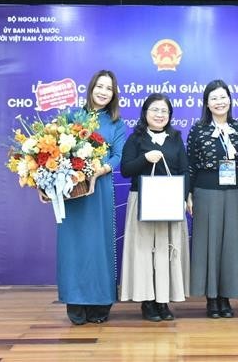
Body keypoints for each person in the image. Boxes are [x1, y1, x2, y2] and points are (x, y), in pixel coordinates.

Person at [57, 70, 127, 325]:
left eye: (109, 88)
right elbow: (56, 152)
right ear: (91, 88)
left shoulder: (117, 123)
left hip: (99, 188)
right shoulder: (71, 116)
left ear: (113, 94)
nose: (103, 92)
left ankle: (100, 302)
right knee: (73, 246)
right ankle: (75, 302)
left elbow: (118, 155)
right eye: (100, 86)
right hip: (72, 190)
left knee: (99, 246)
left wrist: (100, 170)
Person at [120, 93, 190, 321]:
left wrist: (183, 196)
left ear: (170, 115)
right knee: (144, 252)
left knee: (166, 250)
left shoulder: (176, 138)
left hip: (169, 202)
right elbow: (126, 170)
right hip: (142, 201)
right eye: (155, 110)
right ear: (145, 113)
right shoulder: (135, 138)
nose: (160, 115)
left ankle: (163, 301)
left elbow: (184, 170)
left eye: (164, 111)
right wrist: (145, 158)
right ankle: (147, 301)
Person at [187, 80, 238, 319]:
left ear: (230, 100)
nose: (219, 102)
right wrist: (189, 194)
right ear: (206, 103)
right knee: (208, 245)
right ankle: (211, 299)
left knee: (231, 245)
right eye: (214, 98)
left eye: (223, 97)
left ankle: (226, 297)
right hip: (205, 193)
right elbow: (191, 165)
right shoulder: (198, 130)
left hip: (235, 193)